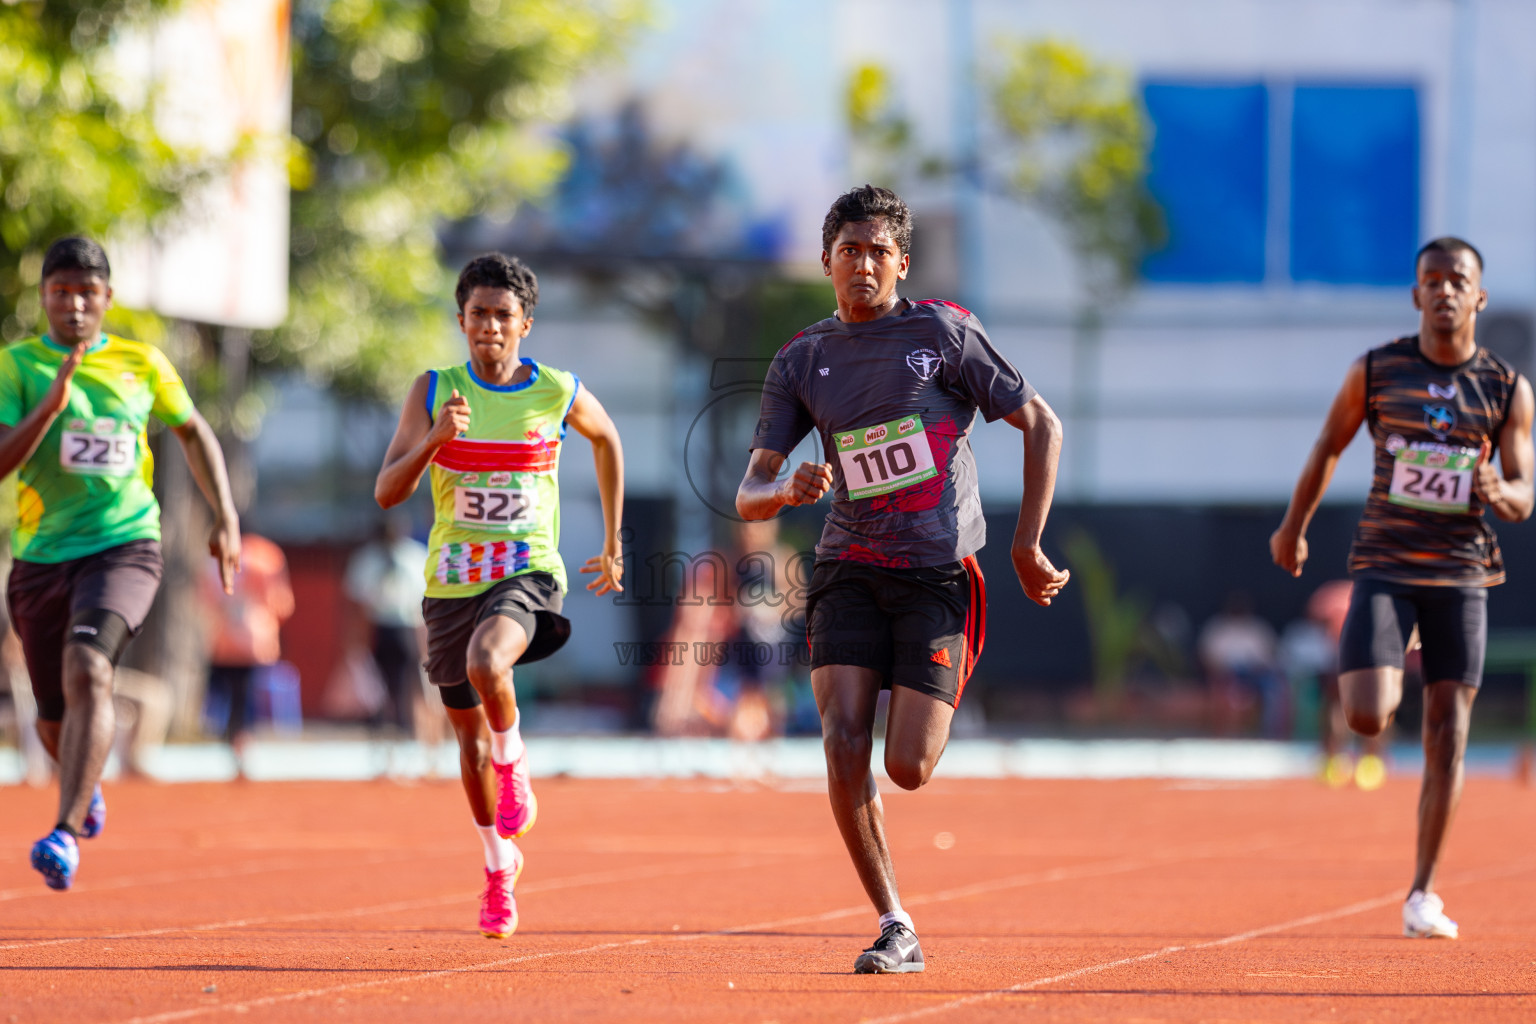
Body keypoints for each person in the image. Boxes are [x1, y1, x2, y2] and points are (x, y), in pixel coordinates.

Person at [736, 186, 1068, 973]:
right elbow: (749, 489)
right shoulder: (802, 359)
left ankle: (921, 715)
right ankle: (895, 924)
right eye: (849, 250)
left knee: (907, 768)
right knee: (842, 741)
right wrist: (786, 490)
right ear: (826, 262)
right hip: (847, 566)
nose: (863, 264)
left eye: (879, 251)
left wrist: (1027, 543)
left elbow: (1042, 424)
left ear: (902, 264)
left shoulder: (943, 333)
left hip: (936, 575)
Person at [1271, 237, 1534, 940]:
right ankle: (1393, 643)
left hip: (1461, 573)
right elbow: (1329, 444)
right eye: (1432, 280)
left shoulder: (1507, 388)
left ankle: (1423, 892)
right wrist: (1292, 526)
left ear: (1478, 296)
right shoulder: (1378, 370)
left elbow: (1524, 492)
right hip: (1387, 565)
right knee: (1366, 716)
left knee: (1449, 732)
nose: (1445, 291)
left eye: (1459, 281)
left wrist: (1496, 487)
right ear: (1416, 294)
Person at [374, 252, 624, 939]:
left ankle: (517, 764)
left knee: (492, 665)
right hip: (450, 583)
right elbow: (387, 490)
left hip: (527, 573)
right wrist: (434, 440)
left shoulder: (557, 391)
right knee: (467, 745)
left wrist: (612, 538)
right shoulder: (433, 390)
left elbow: (607, 441)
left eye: (502, 315)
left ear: (525, 324)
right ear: (461, 321)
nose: (489, 325)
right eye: (478, 314)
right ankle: (497, 866)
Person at [0, 236, 241, 890]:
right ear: (44, 297)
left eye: (87, 291)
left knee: (91, 669)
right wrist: (50, 405)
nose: (74, 304)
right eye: (60, 291)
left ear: (107, 298)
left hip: (125, 545)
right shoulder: (16, 367)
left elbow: (193, 430)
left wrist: (224, 515)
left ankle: (63, 831)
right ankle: (87, 783)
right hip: (41, 558)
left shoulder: (143, 362)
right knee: (54, 715)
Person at [344, 512, 434, 769]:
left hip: (399, 627)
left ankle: (401, 740)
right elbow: (359, 604)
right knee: (382, 690)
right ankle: (386, 741)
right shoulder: (381, 558)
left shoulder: (409, 557)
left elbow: (421, 605)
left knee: (405, 688)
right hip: (385, 628)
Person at [201, 533, 294, 777]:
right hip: (255, 641)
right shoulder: (267, 557)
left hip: (222, 640)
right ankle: (242, 744)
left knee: (224, 696)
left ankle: (229, 739)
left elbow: (205, 598)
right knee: (246, 699)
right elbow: (282, 601)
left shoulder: (215, 556)